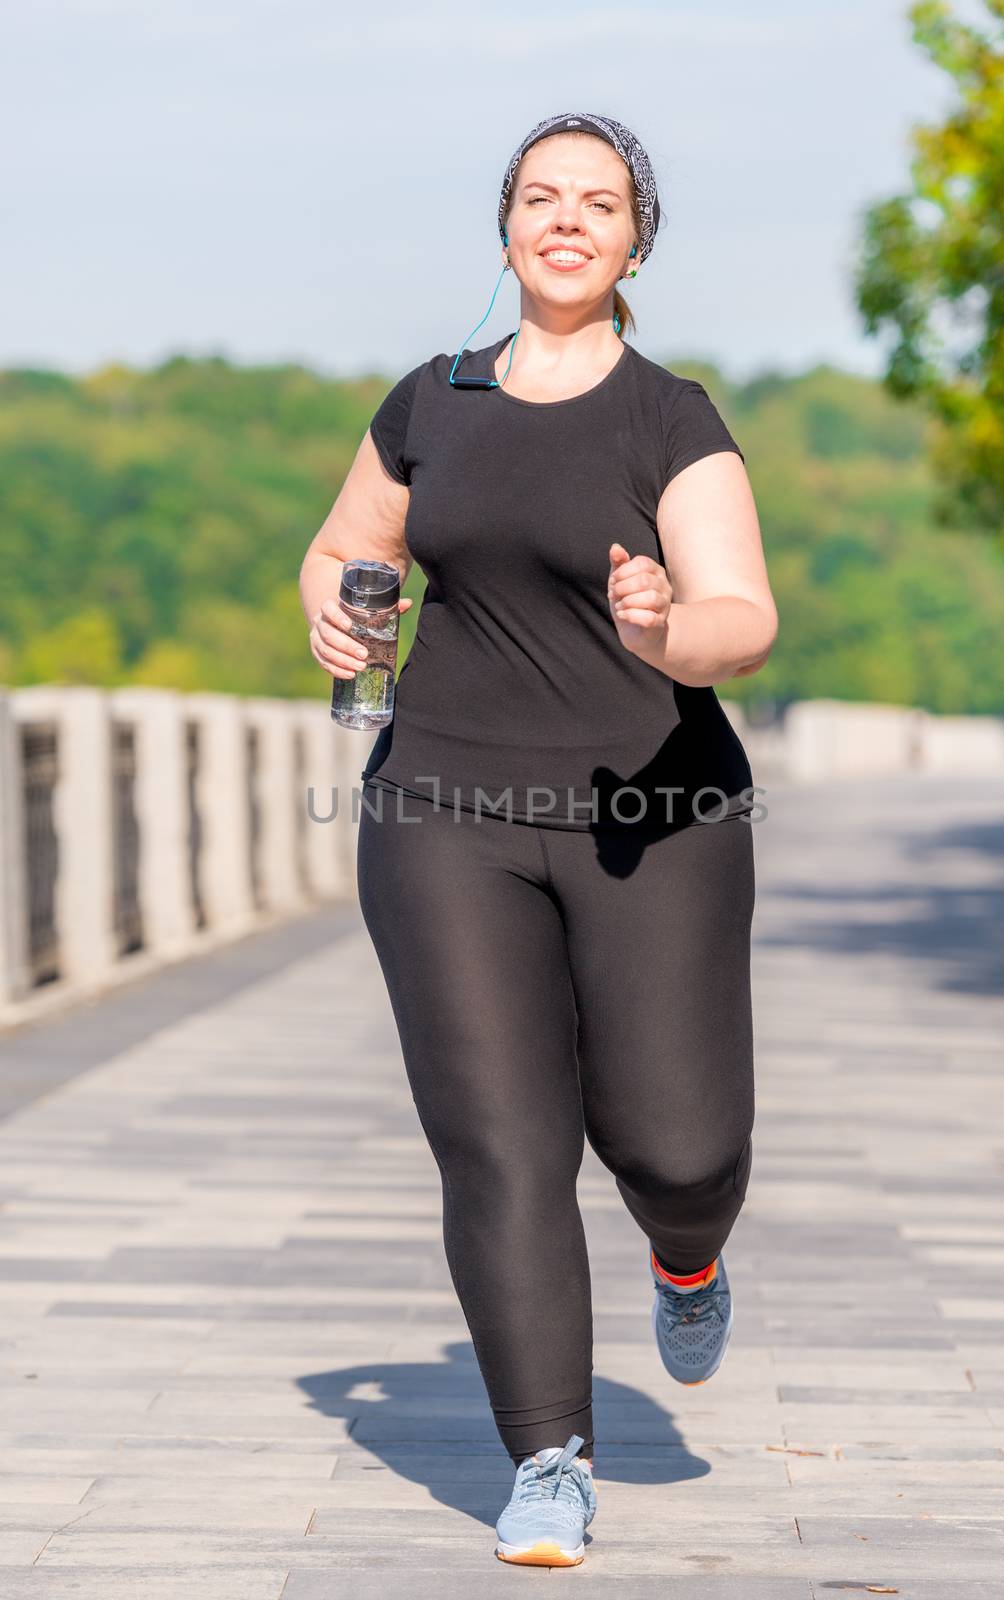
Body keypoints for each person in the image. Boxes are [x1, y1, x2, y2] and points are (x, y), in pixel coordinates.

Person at [299, 110, 778, 1569]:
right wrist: (332, 604)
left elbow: (742, 615)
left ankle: (686, 1252)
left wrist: (663, 627)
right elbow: (344, 551)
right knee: (501, 1147)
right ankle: (551, 1458)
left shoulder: (669, 418)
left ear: (637, 241)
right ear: (505, 224)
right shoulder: (430, 399)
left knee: (675, 1143)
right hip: (444, 807)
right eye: (540, 197)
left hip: (656, 812)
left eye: (600, 203)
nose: (567, 220)